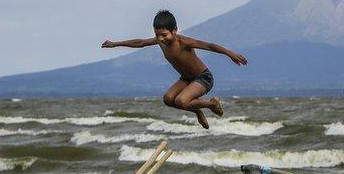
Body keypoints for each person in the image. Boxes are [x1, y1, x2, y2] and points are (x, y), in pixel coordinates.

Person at [101, 10, 248, 129]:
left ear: (175, 31)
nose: (160, 39)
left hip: (203, 78)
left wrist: (230, 54)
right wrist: (115, 44)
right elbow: (139, 42)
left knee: (181, 101)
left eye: (164, 35)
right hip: (186, 78)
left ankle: (212, 103)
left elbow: (209, 46)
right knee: (168, 99)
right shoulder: (160, 41)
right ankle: (197, 110)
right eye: (157, 35)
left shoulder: (183, 42)